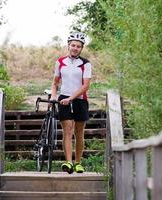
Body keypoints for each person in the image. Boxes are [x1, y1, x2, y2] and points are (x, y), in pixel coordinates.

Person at [50, 32, 92, 174]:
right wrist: (54, 96)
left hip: (80, 100)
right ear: (68, 45)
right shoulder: (60, 62)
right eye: (73, 45)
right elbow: (55, 83)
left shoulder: (86, 64)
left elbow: (85, 86)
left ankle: (78, 163)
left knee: (79, 132)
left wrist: (71, 98)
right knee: (67, 131)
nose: (75, 48)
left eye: (78, 46)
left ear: (81, 48)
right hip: (64, 100)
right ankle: (68, 162)